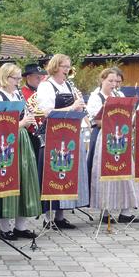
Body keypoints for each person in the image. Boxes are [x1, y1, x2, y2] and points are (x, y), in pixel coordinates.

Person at [0, 63, 41, 239]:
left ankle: (20, 226)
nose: (18, 82)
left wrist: (27, 121)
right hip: (4, 145)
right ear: (5, 77)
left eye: (18, 78)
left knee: (25, 181)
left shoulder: (16, 94)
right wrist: (21, 124)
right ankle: (5, 227)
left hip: (21, 141)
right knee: (7, 181)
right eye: (15, 78)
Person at [36, 54, 89, 229]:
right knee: (52, 173)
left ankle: (61, 216)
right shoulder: (45, 85)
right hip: (52, 134)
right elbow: (46, 112)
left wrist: (80, 107)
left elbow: (75, 109)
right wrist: (72, 107)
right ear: (55, 66)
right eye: (64, 66)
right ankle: (48, 217)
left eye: (68, 66)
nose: (67, 70)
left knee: (67, 171)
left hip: (69, 133)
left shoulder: (68, 85)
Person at [87, 68, 139, 223]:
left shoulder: (120, 95)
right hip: (104, 138)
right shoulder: (95, 97)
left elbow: (126, 117)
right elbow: (95, 120)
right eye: (109, 81)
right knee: (105, 173)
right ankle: (105, 212)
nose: (113, 84)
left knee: (125, 172)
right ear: (102, 80)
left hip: (120, 138)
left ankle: (126, 211)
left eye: (115, 81)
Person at [21, 63, 48, 157]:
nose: (40, 79)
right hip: (30, 133)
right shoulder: (22, 93)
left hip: (44, 131)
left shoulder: (43, 91)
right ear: (28, 77)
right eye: (37, 77)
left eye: (41, 77)